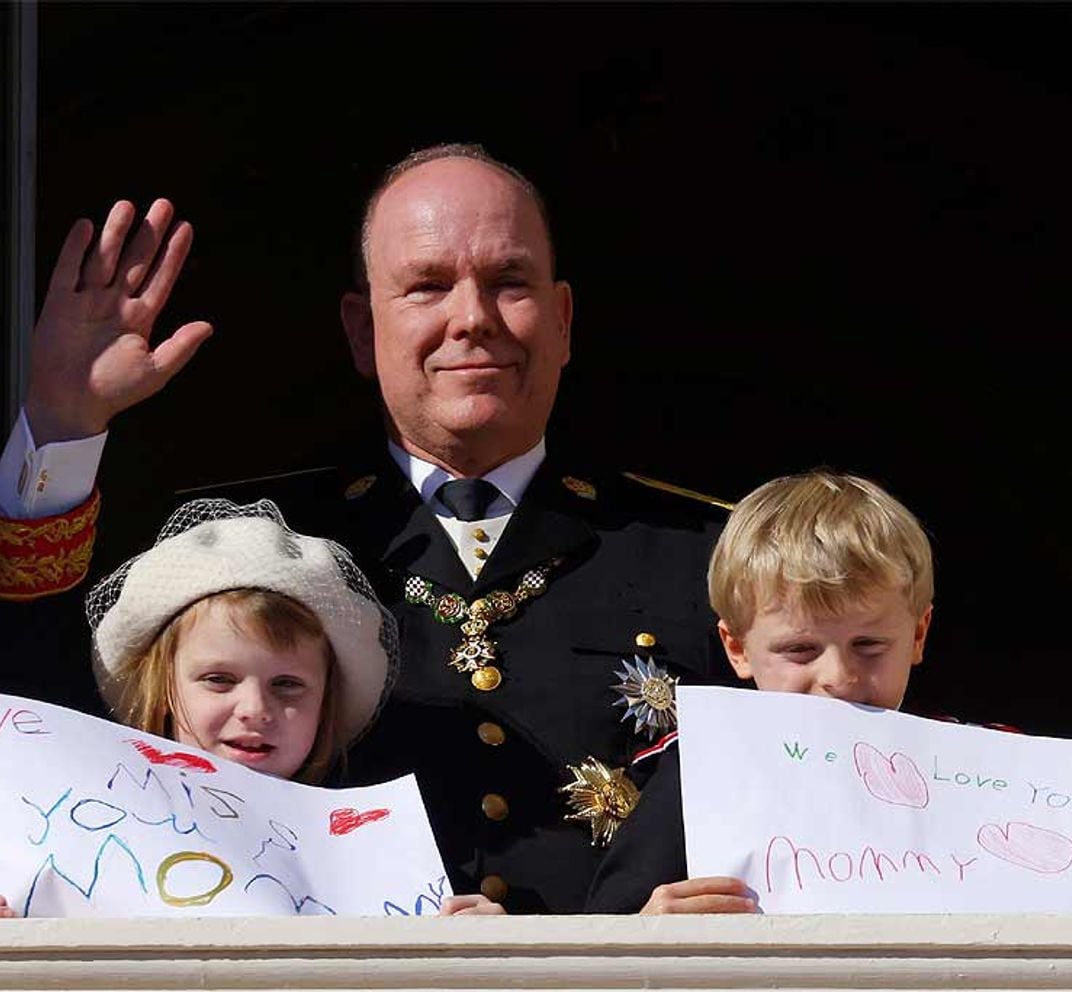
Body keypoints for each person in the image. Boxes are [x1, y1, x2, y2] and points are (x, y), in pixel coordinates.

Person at [0, 144, 730, 914]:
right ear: (360, 329)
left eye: (509, 282)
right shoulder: (244, 543)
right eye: (427, 286)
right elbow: (44, 718)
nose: (472, 318)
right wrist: (62, 425)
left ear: (563, 320)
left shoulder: (706, 556)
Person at [0, 497, 501, 917]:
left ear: (327, 702)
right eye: (218, 680)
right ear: (161, 689)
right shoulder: (66, 834)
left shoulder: (392, 862)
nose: (255, 708)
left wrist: (475, 950)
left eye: (288, 685)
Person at [585, 470, 935, 914]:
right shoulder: (696, 768)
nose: (839, 677)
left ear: (918, 634)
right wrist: (646, 924)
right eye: (800, 650)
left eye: (868, 645)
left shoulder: (976, 773)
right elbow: (605, 934)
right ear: (737, 648)